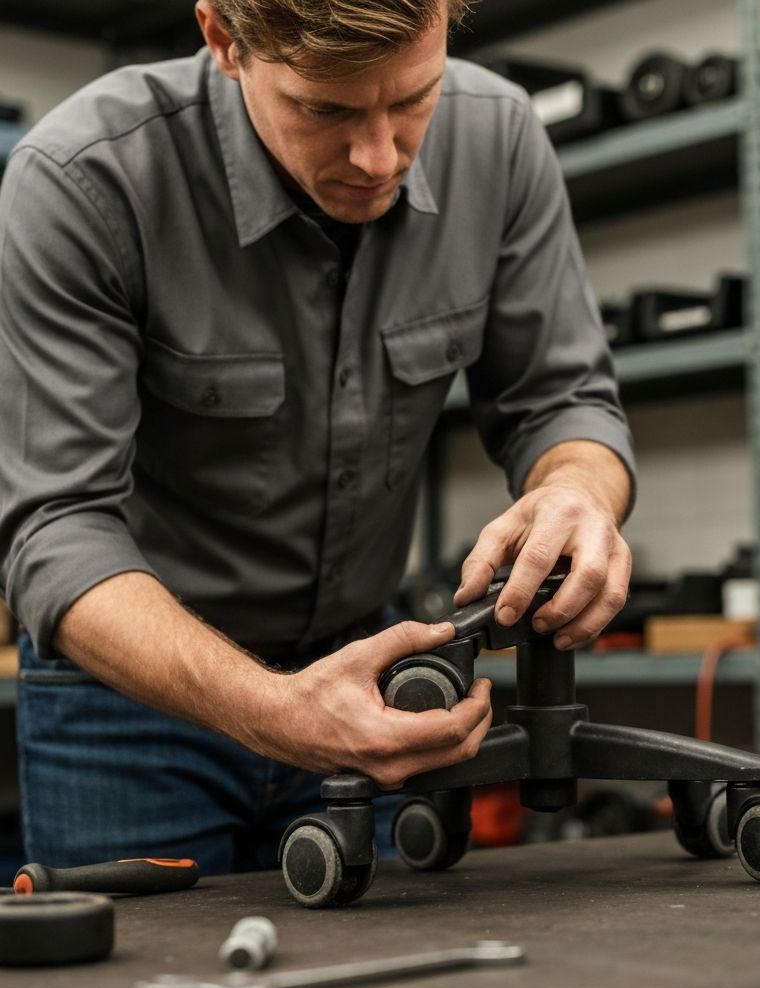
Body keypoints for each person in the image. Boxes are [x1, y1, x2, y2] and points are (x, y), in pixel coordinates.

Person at [0, 0, 635, 873]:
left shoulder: (502, 138)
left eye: (416, 98)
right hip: (130, 709)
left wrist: (577, 490)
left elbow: (563, 401)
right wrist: (271, 707)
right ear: (225, 40)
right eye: (325, 110)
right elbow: (56, 530)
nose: (379, 158)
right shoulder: (83, 179)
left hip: (365, 676)